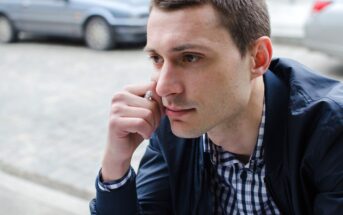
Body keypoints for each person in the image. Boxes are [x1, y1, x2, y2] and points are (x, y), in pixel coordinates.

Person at [90, 0, 343, 214]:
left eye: (190, 57)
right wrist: (116, 163)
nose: (164, 88)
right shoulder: (171, 126)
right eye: (156, 58)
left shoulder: (330, 131)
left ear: (258, 58)